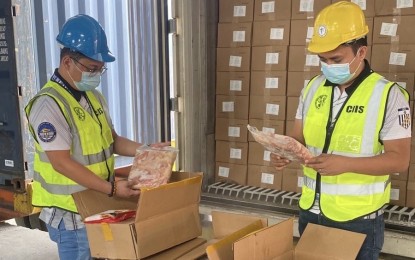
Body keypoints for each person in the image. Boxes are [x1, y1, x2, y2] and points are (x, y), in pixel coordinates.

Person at [270, 2, 411, 259]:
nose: (327, 66)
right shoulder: (312, 88)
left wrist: (344, 163)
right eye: (322, 60)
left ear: (361, 52)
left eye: (336, 59)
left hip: (357, 221)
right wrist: (283, 151)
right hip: (311, 212)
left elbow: (399, 159)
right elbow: (298, 137)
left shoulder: (388, 95)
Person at [25, 14, 169, 260]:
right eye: (92, 68)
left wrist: (146, 150)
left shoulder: (92, 96)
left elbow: (113, 141)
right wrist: (111, 188)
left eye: (101, 69)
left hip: (96, 202)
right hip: (71, 209)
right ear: (67, 62)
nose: (97, 75)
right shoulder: (49, 104)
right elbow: (60, 162)